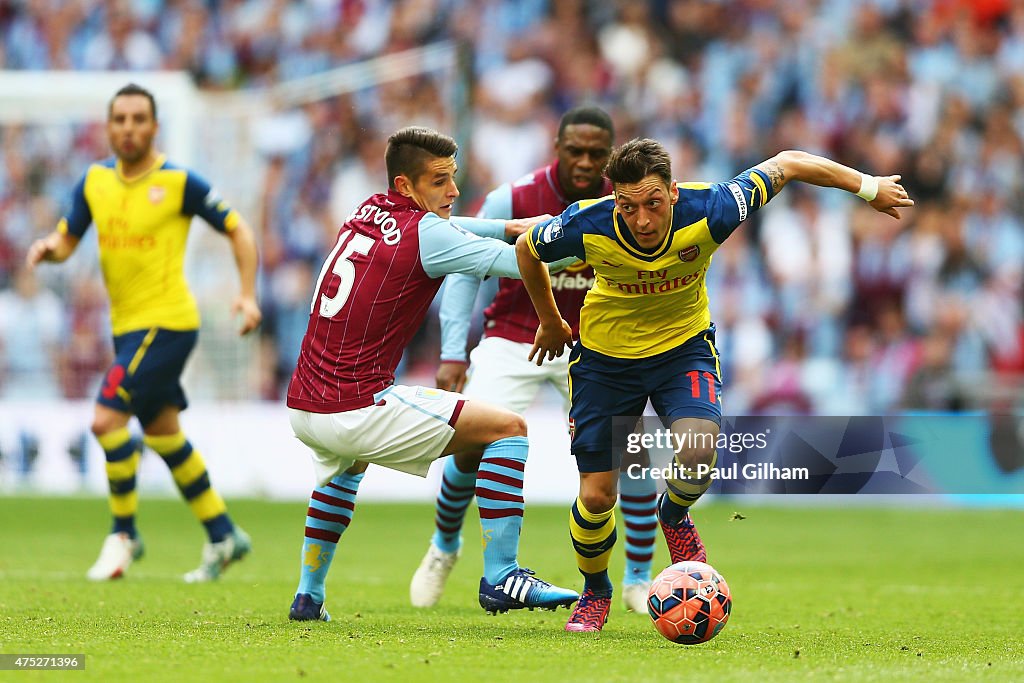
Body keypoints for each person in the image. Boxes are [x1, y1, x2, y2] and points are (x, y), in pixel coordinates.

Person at [515, 139, 914, 632]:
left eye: (653, 203)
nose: (641, 219)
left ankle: (674, 513)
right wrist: (551, 320)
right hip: (604, 362)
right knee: (597, 497)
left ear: (674, 193)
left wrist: (869, 186)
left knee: (699, 449)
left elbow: (787, 163)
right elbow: (527, 249)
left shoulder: (714, 209)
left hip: (682, 351)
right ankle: (595, 593)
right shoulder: (586, 222)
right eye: (628, 206)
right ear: (614, 200)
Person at [285, 125, 579, 622]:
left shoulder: (366, 211)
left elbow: (453, 224)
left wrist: (509, 224)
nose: (454, 190)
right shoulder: (431, 235)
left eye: (454, 177)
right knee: (508, 428)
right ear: (407, 186)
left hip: (304, 405)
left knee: (345, 466)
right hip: (356, 405)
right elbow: (526, 264)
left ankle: (308, 596)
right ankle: (502, 575)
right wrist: (599, 240)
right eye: (440, 180)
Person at [412, 106, 660, 614]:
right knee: (471, 442)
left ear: (611, 155)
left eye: (597, 154)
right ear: (557, 147)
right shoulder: (515, 197)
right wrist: (454, 350)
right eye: (576, 151)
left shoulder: (631, 204)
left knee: (629, 454)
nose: (586, 162)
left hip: (596, 342)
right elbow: (462, 267)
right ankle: (443, 546)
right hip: (517, 334)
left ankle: (638, 576)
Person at [26, 83, 262, 583]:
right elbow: (69, 237)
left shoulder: (178, 182)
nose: (129, 128)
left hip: (169, 324)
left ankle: (123, 535)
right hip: (127, 331)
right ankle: (224, 535)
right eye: (120, 119)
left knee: (106, 419)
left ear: (155, 127)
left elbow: (238, 229)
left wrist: (246, 293)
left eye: (138, 119)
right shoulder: (94, 182)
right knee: (163, 436)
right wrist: (51, 246)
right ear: (109, 126)